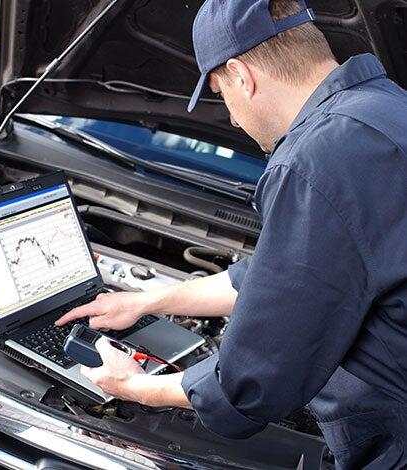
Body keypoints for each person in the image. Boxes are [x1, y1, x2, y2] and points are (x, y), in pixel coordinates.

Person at [56, 0, 407, 467]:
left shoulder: (316, 161)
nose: (234, 119)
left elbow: (256, 379)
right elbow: (286, 276)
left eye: (222, 95)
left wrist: (135, 386)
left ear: (242, 75)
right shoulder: (385, 108)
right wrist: (145, 301)